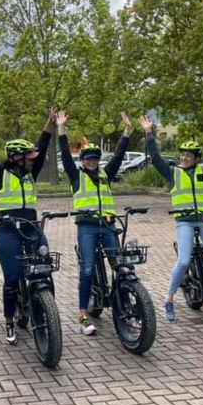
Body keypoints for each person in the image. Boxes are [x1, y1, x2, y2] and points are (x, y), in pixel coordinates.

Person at [0, 107, 57, 345]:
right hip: (7, 231)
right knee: (12, 277)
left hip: (32, 229)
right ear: (17, 158)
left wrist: (49, 122)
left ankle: (47, 312)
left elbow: (43, 144)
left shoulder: (31, 173)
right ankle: (9, 321)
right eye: (29, 157)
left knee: (44, 269)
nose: (34, 162)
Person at [140, 113, 203, 323]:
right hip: (185, 221)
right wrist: (148, 132)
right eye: (182, 155)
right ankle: (169, 299)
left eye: (189, 155)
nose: (184, 158)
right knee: (183, 261)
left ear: (197, 158)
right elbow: (155, 157)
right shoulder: (173, 173)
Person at [57, 110, 132, 336]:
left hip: (108, 225)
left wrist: (128, 130)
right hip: (87, 227)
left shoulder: (106, 174)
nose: (92, 161)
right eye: (88, 158)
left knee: (119, 266)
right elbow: (65, 154)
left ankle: (127, 309)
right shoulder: (76, 175)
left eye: (95, 158)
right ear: (83, 161)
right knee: (88, 270)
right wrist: (61, 128)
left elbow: (118, 155)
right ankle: (83, 315)